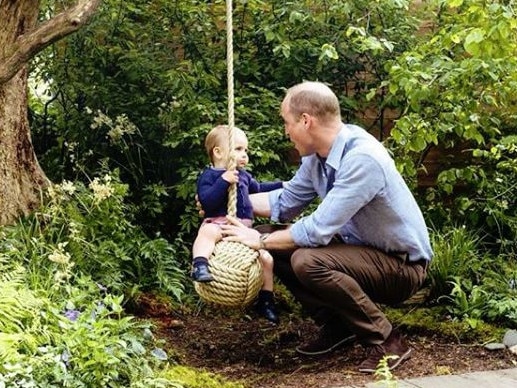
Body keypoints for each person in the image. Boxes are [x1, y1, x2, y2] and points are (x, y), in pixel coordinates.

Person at [219, 81, 433, 373]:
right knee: (273, 239)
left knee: (306, 259)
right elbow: (287, 200)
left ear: (306, 121)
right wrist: (223, 201)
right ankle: (338, 325)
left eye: (287, 122)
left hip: (401, 268)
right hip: (360, 254)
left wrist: (258, 241)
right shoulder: (317, 157)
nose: (286, 131)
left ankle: (388, 342)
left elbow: (317, 230)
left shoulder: (362, 159)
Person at [191, 124, 283, 324]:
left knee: (267, 259)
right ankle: (199, 265)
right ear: (218, 152)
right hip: (220, 224)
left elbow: (258, 189)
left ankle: (266, 300)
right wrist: (223, 181)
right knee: (207, 232)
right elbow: (207, 201)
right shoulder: (209, 176)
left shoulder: (243, 175)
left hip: (243, 230)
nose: (244, 155)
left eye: (246, 150)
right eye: (239, 149)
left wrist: (284, 184)